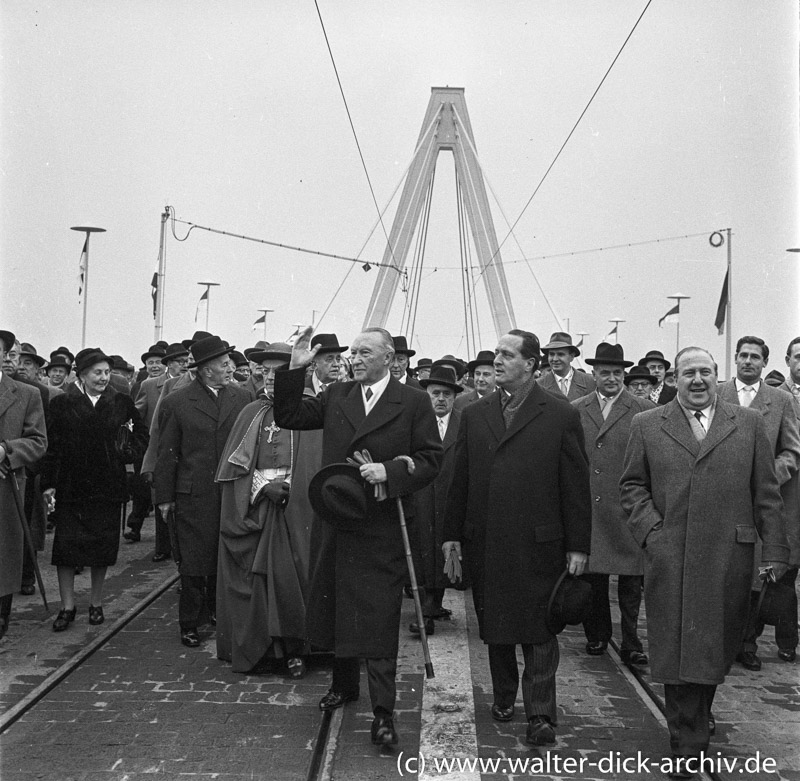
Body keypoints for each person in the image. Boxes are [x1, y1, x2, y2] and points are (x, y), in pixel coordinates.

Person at [620, 346, 789, 777]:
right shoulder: (647, 425)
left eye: (706, 372)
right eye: (688, 373)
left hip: (727, 556)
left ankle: (693, 722)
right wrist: (653, 533)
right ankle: (688, 736)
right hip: (670, 553)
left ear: (718, 377)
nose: (698, 381)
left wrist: (774, 551)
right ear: (674, 379)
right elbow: (632, 487)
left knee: (713, 649)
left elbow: (766, 494)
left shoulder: (748, 424)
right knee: (675, 645)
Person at [274, 326, 441, 747]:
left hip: (383, 525)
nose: (355, 357)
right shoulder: (337, 395)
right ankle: (344, 685)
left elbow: (431, 460)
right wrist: (295, 368)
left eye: (365, 352)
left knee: (380, 617)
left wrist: (391, 471)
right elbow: (288, 416)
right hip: (337, 520)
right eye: (354, 352)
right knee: (336, 603)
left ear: (389, 357)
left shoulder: (414, 401)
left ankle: (384, 711)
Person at [443, 329, 591, 747]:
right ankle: (504, 695)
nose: (498, 361)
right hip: (486, 540)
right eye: (496, 355)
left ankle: (541, 713)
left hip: (540, 544)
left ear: (531, 364)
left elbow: (575, 486)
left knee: (540, 629)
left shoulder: (560, 414)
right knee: (496, 626)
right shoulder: (473, 413)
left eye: (508, 355)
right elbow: (460, 479)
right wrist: (451, 535)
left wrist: (578, 545)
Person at [216, 343, 314, 676]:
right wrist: (262, 488)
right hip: (258, 507)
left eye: (280, 371)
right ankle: (266, 651)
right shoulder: (249, 412)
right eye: (267, 371)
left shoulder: (309, 410)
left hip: (296, 507)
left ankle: (296, 649)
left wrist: (293, 490)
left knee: (293, 579)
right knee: (259, 582)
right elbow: (234, 470)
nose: (271, 377)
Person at [154, 335, 252, 648]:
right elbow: (167, 454)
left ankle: (218, 613)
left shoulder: (241, 398)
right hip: (192, 496)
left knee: (223, 556)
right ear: (206, 370)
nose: (230, 369)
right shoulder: (177, 402)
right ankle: (190, 623)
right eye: (224, 365)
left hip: (229, 493)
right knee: (194, 563)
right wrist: (165, 498)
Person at [41, 348, 148, 632]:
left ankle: (96, 603)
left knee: (101, 547)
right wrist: (49, 484)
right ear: (82, 375)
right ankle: (67, 606)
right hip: (71, 487)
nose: (104, 378)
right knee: (66, 549)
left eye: (107, 372)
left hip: (107, 486)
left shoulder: (121, 402)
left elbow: (142, 432)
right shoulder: (62, 404)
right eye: (97, 373)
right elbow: (51, 446)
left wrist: (130, 451)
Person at [716, 336, 800, 669]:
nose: (748, 361)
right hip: (720, 497)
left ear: (765, 363)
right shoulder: (717, 393)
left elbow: (792, 451)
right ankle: (718, 642)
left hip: (760, 501)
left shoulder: (779, 401)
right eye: (743, 356)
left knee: (753, 573)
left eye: (755, 357)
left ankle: (747, 644)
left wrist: (768, 479)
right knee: (720, 571)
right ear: (735, 359)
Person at [572, 343, 654, 663]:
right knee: (594, 580)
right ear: (592, 374)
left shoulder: (643, 409)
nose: (611, 378)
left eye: (617, 373)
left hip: (628, 508)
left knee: (632, 584)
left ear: (625, 375)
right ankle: (598, 636)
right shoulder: (577, 408)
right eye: (604, 372)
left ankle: (632, 642)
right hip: (591, 507)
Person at [0, 330, 47, 639]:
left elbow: (38, 441)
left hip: (5, 491)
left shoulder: (26, 394)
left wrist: (7, 451)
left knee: (1, 561)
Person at [410, 364, 463, 636]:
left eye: (446, 394)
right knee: (420, 550)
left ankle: (433, 605)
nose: (441, 399)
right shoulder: (415, 422)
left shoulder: (464, 423)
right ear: (426, 395)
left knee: (444, 548)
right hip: (420, 497)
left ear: (454, 397)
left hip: (450, 497)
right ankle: (425, 611)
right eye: (435, 393)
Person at [537, 331, 596, 400]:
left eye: (560, 354)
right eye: (552, 354)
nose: (555, 359)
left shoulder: (590, 382)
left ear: (571, 356)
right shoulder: (538, 385)